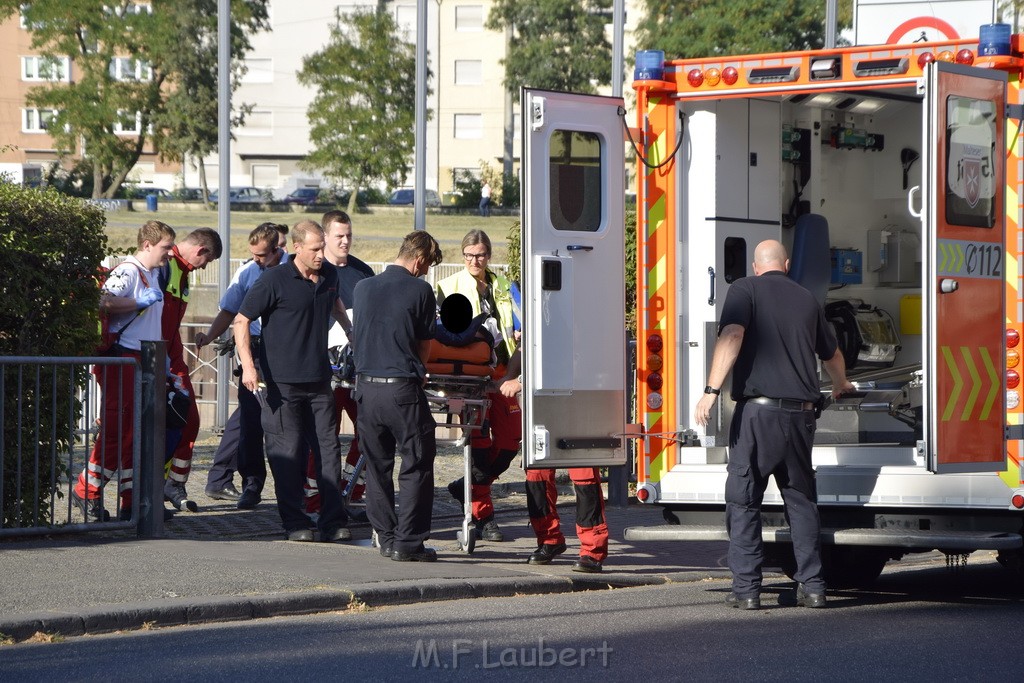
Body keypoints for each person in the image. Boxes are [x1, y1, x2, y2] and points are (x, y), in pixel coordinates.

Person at [694, 239, 854, 611]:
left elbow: (732, 335)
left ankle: (748, 590)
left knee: (744, 499)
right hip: (801, 416)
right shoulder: (806, 298)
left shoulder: (744, 288)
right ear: (784, 264)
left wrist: (710, 391)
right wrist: (841, 384)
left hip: (758, 416)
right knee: (800, 501)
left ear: (755, 265)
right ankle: (813, 587)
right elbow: (831, 354)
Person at [233, 220, 354, 542]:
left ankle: (332, 520)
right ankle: (295, 521)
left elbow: (335, 301)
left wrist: (351, 332)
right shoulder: (274, 280)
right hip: (279, 385)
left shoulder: (330, 275)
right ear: (297, 247)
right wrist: (249, 367)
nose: (320, 255)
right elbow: (241, 319)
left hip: (319, 382)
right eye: (314, 249)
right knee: (287, 453)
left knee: (329, 451)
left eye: (321, 249)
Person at [71, 221, 176, 522]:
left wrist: (163, 356)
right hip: (123, 359)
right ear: (147, 245)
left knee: (136, 432)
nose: (169, 253)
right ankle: (86, 490)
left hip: (143, 357)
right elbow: (103, 301)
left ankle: (132, 501)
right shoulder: (128, 271)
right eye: (165, 247)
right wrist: (136, 301)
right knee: (119, 430)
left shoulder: (153, 273)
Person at [352, 230, 442, 561]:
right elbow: (423, 344)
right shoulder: (420, 289)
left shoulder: (362, 287)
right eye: (428, 264)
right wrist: (417, 369)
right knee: (417, 462)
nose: (427, 271)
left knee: (377, 467)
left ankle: (386, 537)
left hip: (365, 390)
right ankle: (408, 542)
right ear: (419, 259)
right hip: (401, 390)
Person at [436, 230, 520, 542]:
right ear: (463, 255)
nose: (475, 260)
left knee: (511, 442)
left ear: (489, 255)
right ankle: (484, 517)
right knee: (480, 447)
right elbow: (444, 335)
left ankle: (464, 487)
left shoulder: (502, 285)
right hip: (469, 378)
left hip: (502, 373)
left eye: (481, 254)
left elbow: (520, 322)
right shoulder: (449, 287)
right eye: (470, 254)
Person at [498, 343, 610, 573]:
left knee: (585, 479)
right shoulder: (539, 312)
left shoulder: (579, 322)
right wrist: (510, 375)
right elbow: (524, 348)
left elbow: (574, 363)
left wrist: (520, 381)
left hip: (579, 407)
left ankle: (592, 551)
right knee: (536, 476)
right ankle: (549, 540)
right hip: (541, 409)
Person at [196, 224, 287, 508]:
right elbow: (230, 310)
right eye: (253, 254)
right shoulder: (248, 272)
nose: (256, 260)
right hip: (257, 352)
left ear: (277, 249)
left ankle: (293, 486)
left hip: (288, 353)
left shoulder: (294, 270)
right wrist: (210, 336)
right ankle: (252, 484)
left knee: (288, 424)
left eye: (261, 255)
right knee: (249, 423)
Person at [303, 210, 375, 514]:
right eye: (338, 236)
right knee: (323, 434)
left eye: (349, 235)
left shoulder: (363, 272)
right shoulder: (316, 272)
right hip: (325, 368)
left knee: (371, 430)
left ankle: (352, 486)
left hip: (359, 368)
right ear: (325, 237)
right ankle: (315, 496)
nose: (345, 241)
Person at [161, 228, 223, 513]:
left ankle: (172, 484)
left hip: (172, 359)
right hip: (156, 360)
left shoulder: (182, 271)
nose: (204, 268)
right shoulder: (165, 265)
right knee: (153, 428)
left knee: (189, 422)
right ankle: (150, 490)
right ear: (201, 250)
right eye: (207, 262)